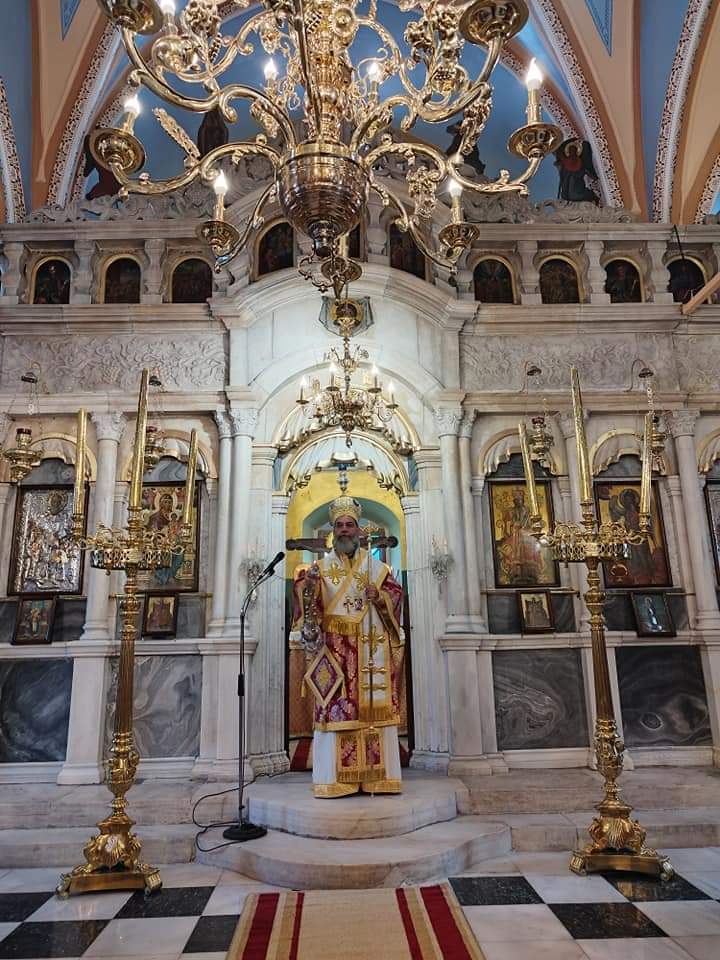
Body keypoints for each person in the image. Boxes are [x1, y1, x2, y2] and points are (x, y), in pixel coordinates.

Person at [292, 496, 405, 798]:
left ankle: (378, 778)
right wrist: (307, 588)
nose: (344, 530)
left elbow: (396, 596)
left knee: (373, 715)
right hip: (336, 655)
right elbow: (308, 610)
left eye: (349, 525)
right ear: (333, 531)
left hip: (371, 652)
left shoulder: (378, 569)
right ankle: (335, 781)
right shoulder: (319, 569)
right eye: (339, 525)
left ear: (358, 530)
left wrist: (379, 597)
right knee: (336, 712)